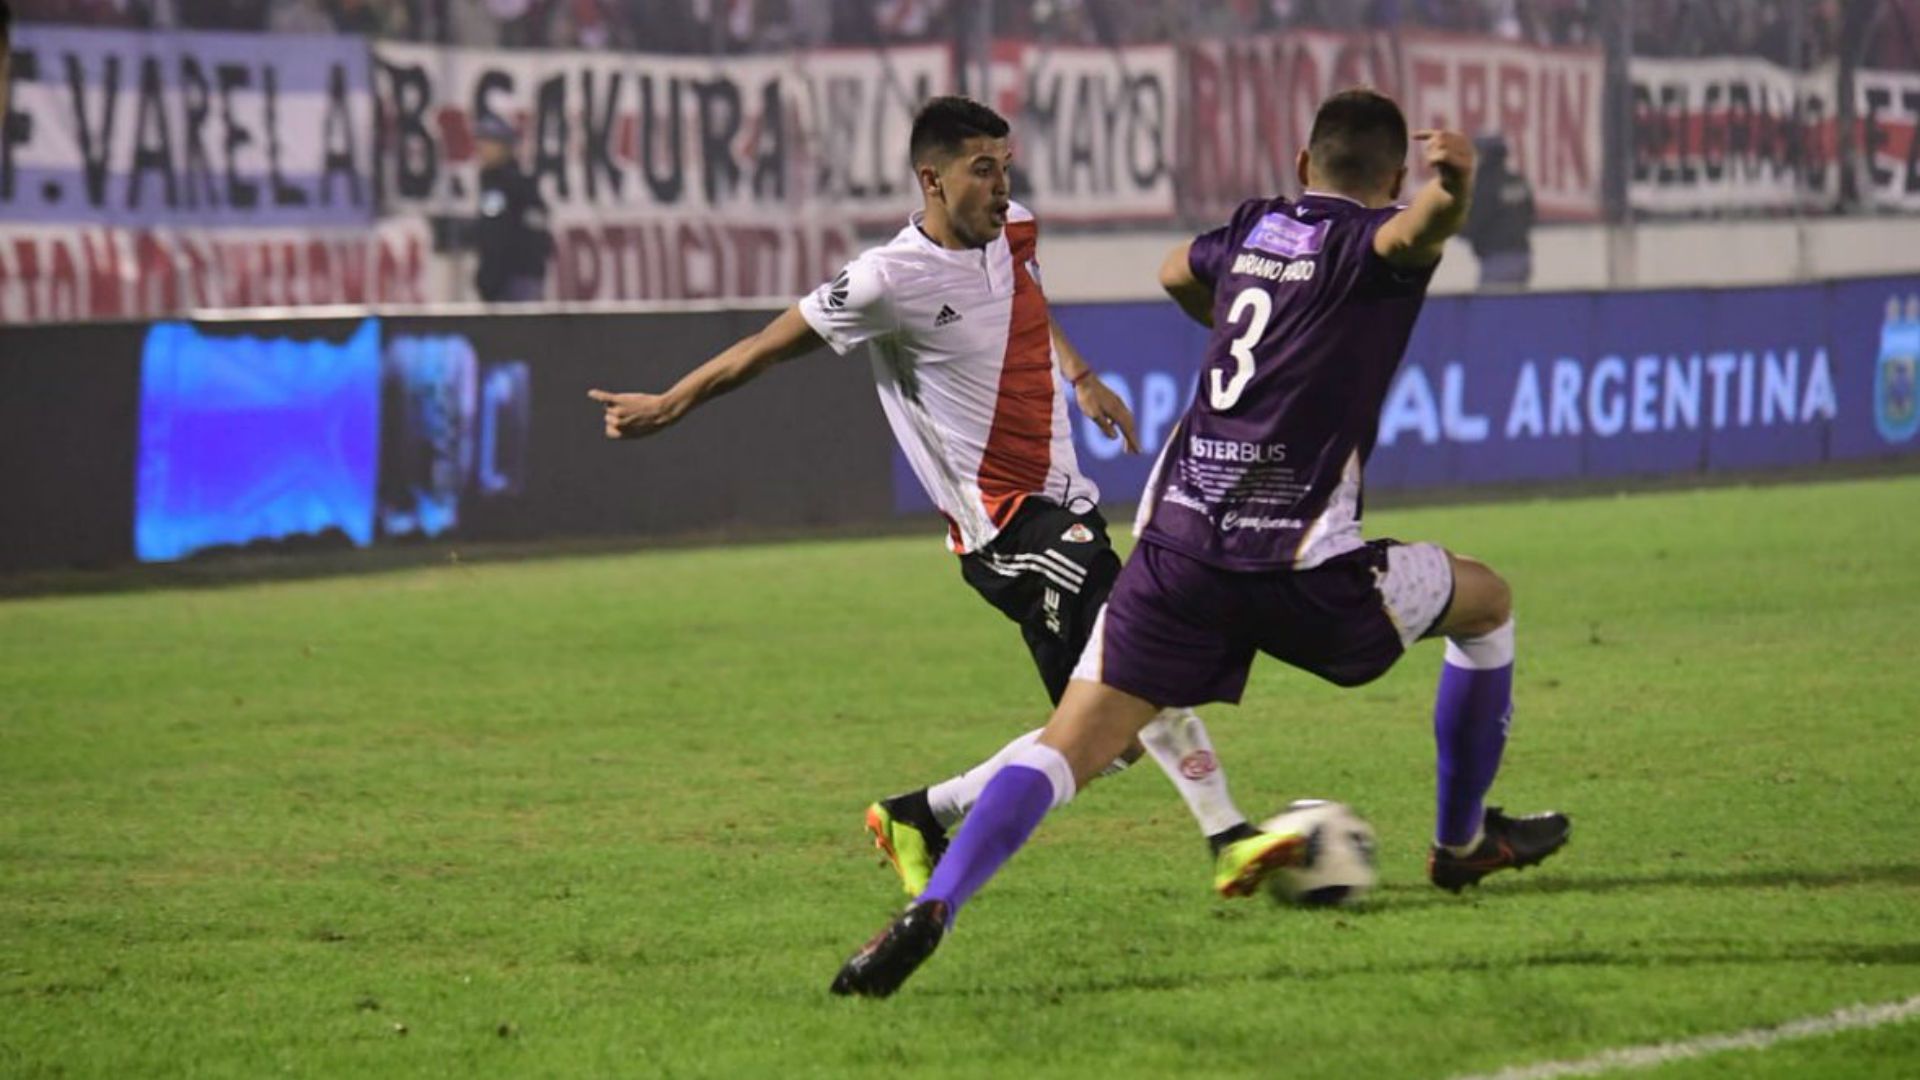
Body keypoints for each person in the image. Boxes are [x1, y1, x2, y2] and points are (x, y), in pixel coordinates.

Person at [832, 88, 1573, 999]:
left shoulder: (1258, 229)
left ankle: (934, 904)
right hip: (1300, 561)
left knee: (1071, 744)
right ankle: (1461, 844)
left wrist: (1241, 313)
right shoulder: (1367, 244)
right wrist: (1451, 192)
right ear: (1386, 182)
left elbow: (1177, 270)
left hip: (1176, 545)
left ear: (1303, 167)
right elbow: (1409, 235)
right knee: (1486, 600)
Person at [589, 97, 1295, 904]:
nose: (1002, 187)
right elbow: (764, 348)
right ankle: (1229, 836)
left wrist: (1081, 374)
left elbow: (1026, 298)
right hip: (1005, 527)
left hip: (1063, 498)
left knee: (1109, 732)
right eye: (982, 170)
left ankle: (918, 813)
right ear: (932, 179)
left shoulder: (1015, 228)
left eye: (1006, 167)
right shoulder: (887, 280)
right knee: (1141, 652)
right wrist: (669, 404)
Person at [472, 115, 552, 303]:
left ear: (504, 147)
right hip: (511, 278)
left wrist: (491, 277)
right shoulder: (498, 182)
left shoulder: (509, 185)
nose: (482, 149)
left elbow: (498, 233)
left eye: (489, 142)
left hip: (514, 279)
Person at [1461, 134, 1534, 288]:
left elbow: (1474, 224)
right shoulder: (1517, 181)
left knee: (1490, 309)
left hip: (1498, 260)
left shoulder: (1485, 185)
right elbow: (1530, 217)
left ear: (1485, 155)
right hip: (1523, 256)